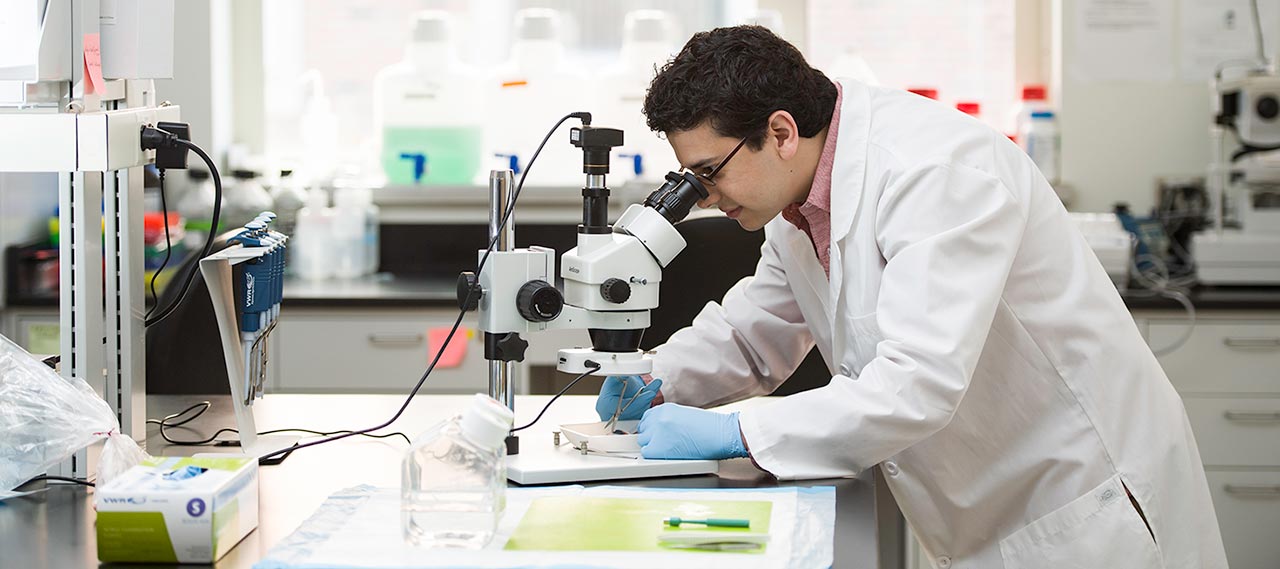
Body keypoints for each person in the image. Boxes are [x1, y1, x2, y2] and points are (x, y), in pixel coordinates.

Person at [595, 25, 1227, 568]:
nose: (702, 195)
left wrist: (736, 429)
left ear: (781, 132)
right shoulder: (799, 201)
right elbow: (754, 331)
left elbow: (916, 383)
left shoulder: (936, 173)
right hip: (987, 505)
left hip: (1085, 506)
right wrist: (656, 377)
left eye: (709, 172)